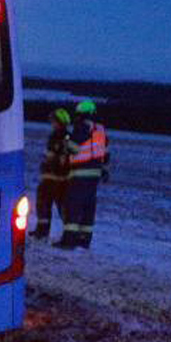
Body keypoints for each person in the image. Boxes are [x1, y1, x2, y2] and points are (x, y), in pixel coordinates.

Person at [56, 99, 110, 249]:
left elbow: (73, 148)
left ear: (82, 114)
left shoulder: (82, 127)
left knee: (72, 205)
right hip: (95, 174)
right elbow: (105, 153)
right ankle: (84, 240)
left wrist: (66, 141)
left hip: (80, 173)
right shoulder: (100, 130)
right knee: (88, 207)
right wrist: (105, 170)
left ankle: (68, 241)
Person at [30, 107, 71, 239]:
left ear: (59, 122)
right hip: (62, 178)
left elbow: (53, 157)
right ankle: (68, 233)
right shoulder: (68, 137)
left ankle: (42, 231)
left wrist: (47, 166)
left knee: (43, 203)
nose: (52, 123)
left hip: (52, 177)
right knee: (61, 206)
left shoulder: (57, 136)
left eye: (53, 120)